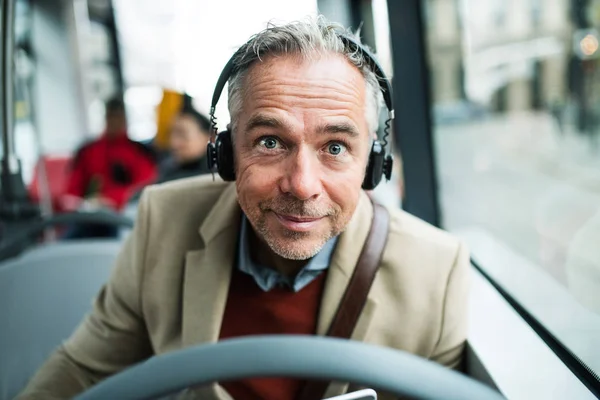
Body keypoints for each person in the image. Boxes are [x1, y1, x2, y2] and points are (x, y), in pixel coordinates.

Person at [19, 17, 470, 400]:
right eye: (270, 142)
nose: (302, 185)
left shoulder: (435, 271)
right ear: (227, 154)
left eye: (335, 146)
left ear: (371, 166)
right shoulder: (163, 221)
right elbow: (83, 370)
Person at [60, 97, 158, 238]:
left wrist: (110, 200)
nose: (115, 121)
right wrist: (77, 202)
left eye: (119, 116)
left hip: (124, 218)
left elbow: (145, 188)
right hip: (88, 220)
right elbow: (72, 190)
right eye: (111, 116)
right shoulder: (88, 151)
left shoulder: (139, 152)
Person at [157, 107, 212, 183]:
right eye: (170, 134)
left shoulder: (214, 177)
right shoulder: (167, 168)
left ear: (208, 138)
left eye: (182, 135)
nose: (173, 143)